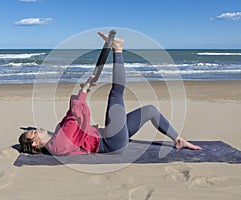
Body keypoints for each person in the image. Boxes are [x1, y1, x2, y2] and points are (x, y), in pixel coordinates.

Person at [19, 32, 202, 155]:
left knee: (150, 110)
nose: (38, 129)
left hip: (108, 134)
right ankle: (118, 49)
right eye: (34, 132)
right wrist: (83, 92)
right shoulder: (56, 146)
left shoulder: (55, 136)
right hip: (110, 143)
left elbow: (72, 118)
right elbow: (75, 120)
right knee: (115, 95)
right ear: (35, 143)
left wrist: (83, 92)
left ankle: (178, 140)